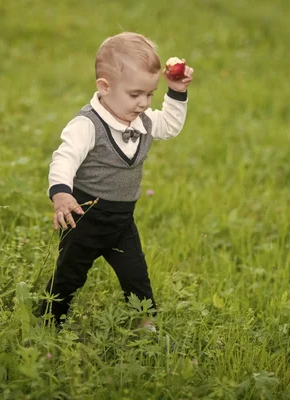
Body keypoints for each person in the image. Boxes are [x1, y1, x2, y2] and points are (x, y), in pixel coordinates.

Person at [39, 32, 194, 330]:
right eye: (135, 95)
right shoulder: (87, 124)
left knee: (137, 275)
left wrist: (175, 91)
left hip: (122, 222)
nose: (143, 103)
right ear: (105, 87)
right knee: (69, 276)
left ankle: (144, 322)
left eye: (149, 94)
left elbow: (170, 126)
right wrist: (60, 192)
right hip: (84, 219)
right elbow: (64, 158)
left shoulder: (143, 120)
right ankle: (49, 320)